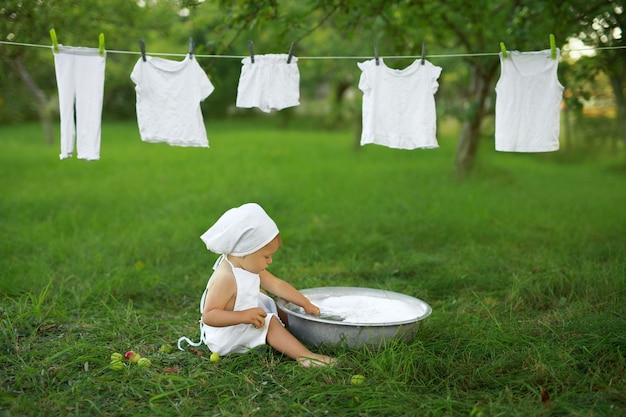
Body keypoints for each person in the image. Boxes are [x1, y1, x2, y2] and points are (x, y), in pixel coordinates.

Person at [179, 203, 334, 368]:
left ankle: (289, 334)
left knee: (266, 298)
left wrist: (305, 303)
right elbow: (209, 316)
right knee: (269, 322)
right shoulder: (226, 278)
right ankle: (306, 357)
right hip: (228, 334)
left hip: (242, 318)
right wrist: (243, 316)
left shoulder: (247, 265)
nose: (270, 261)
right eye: (266, 256)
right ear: (245, 252)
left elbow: (277, 285)